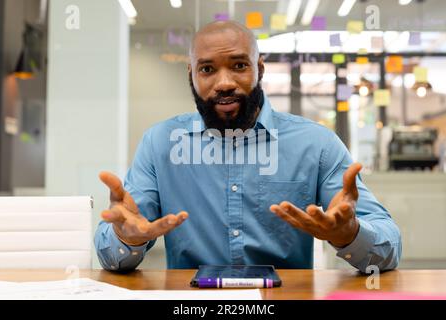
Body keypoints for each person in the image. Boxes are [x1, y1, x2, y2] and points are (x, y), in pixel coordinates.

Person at [94, 21, 401, 273]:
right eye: (207, 69)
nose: (224, 82)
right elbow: (113, 253)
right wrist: (126, 236)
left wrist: (351, 234)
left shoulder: (316, 143)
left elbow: (389, 246)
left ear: (260, 70)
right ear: (192, 75)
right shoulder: (159, 143)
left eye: (239, 65)